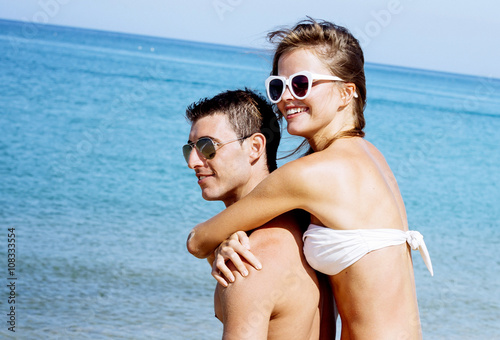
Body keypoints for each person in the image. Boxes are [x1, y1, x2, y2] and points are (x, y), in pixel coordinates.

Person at [187, 19, 433, 339]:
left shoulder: (312, 174)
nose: (286, 97)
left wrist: (221, 246)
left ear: (346, 93)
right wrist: (230, 241)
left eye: (301, 83)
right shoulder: (368, 157)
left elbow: (197, 239)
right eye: (278, 86)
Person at [183, 89, 335, 339]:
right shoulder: (304, 227)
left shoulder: (248, 265)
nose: (193, 162)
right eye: (189, 149)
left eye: (207, 147)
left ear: (254, 147)